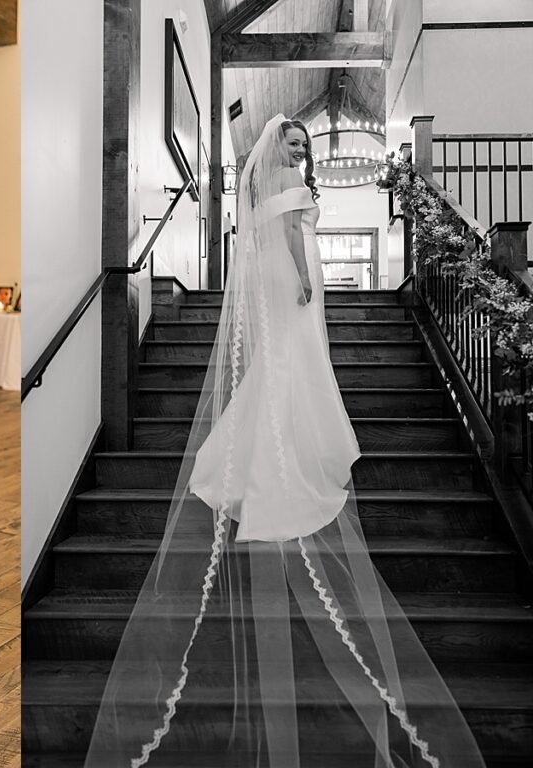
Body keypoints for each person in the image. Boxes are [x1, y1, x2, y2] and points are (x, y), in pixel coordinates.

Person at [83, 115, 486, 767]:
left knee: (282, 367)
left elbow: (265, 237)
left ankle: (250, 447)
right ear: (280, 148)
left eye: (303, 146)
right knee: (294, 366)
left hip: (271, 290)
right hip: (291, 285)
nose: (300, 152)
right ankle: (285, 452)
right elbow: (295, 245)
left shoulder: (261, 185)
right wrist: (304, 280)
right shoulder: (290, 182)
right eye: (294, 144)